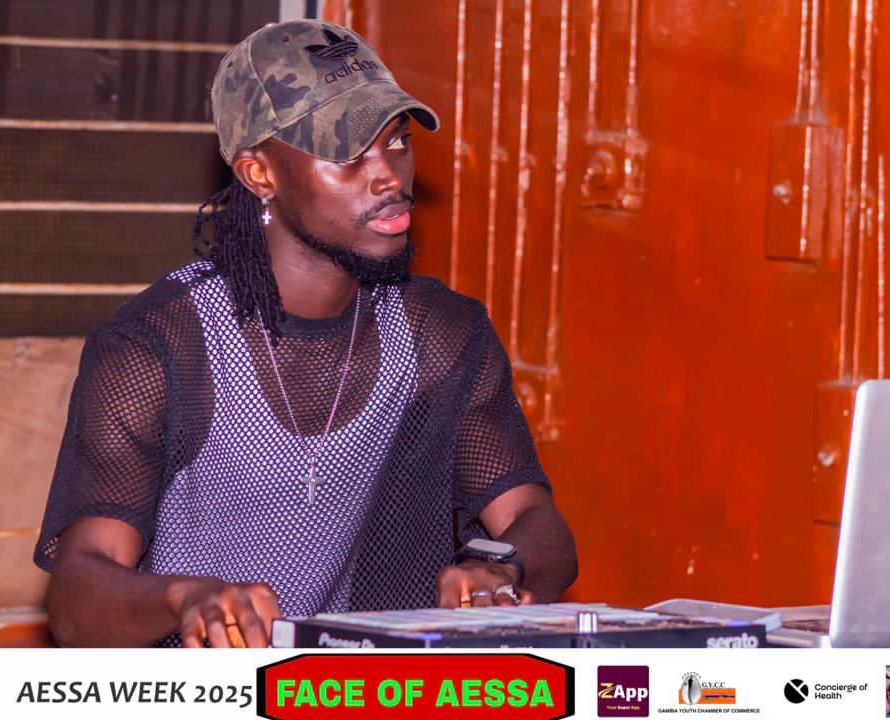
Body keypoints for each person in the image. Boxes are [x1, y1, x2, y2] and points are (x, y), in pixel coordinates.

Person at [35, 19, 577, 648]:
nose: (389, 177)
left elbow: (537, 523)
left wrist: (501, 569)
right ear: (259, 174)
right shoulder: (159, 347)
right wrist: (184, 597)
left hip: (351, 687)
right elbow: (78, 594)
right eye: (349, 156)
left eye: (398, 143)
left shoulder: (440, 335)